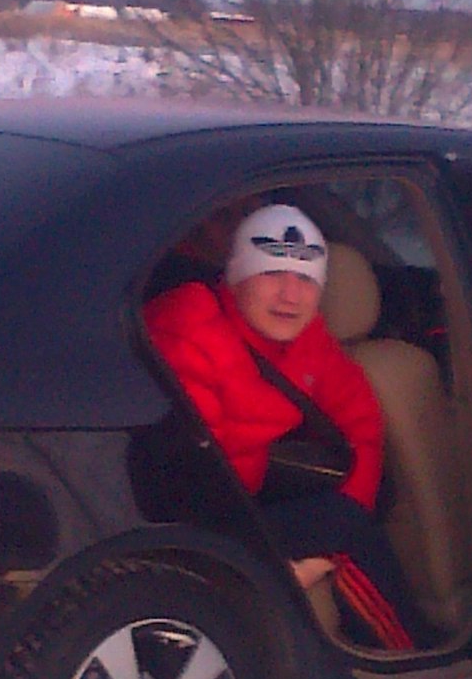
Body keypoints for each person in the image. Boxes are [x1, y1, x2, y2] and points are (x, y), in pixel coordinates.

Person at [144, 204, 432, 652]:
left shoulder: (308, 337)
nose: (290, 295)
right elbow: (193, 478)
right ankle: (410, 656)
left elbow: (361, 425)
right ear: (237, 277)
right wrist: (277, 563)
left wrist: (345, 512)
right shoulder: (188, 330)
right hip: (180, 519)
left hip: (243, 501)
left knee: (344, 521)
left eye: (306, 279)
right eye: (272, 274)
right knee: (342, 529)